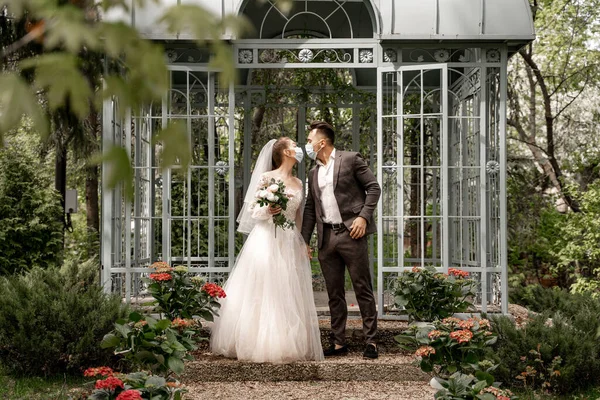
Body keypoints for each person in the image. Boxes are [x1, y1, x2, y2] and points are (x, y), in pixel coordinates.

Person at [210, 137, 324, 363]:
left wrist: (302, 243)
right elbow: (253, 211)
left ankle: (283, 341)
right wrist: (268, 209)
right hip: (265, 238)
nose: (298, 148)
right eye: (293, 145)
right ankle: (256, 341)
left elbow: (299, 216)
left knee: (286, 289)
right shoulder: (266, 178)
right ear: (284, 153)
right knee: (265, 287)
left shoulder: (299, 183)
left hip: (289, 239)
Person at [301, 121, 381, 359]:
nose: (307, 144)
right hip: (326, 238)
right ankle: (338, 342)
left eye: (309, 140)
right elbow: (309, 208)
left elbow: (374, 188)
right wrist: (305, 240)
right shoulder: (312, 172)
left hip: (352, 234)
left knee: (362, 288)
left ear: (322, 142)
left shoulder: (350, 159)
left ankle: (371, 342)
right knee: (334, 293)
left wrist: (363, 218)